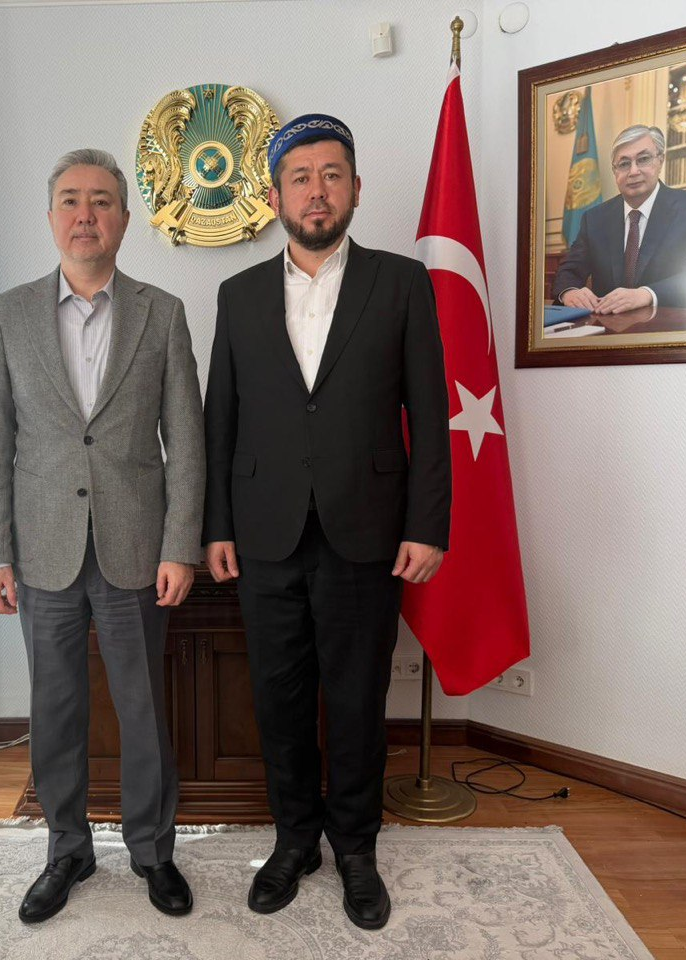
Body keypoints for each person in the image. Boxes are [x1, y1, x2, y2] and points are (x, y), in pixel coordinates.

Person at [202, 115, 452, 930]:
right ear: (276, 195)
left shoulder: (402, 283)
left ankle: (355, 848)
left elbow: (430, 414)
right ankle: (294, 841)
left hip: (368, 530)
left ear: (355, 188)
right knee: (278, 701)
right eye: (301, 177)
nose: (317, 191)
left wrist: (428, 525)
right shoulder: (237, 295)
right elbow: (220, 420)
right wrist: (216, 527)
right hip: (263, 532)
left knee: (355, 700)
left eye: (332, 175)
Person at [0, 148, 204, 923]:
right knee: (56, 710)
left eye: (101, 201)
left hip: (136, 549)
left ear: (124, 220)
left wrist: (180, 546)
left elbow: (187, 442)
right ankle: (66, 850)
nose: (85, 214)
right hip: (41, 552)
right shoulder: (8, 314)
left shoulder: (162, 313)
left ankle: (153, 852)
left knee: (143, 710)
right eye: (70, 200)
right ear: (50, 218)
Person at [552, 124, 686, 312]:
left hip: (667, 323)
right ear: (614, 171)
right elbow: (569, 270)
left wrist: (647, 294)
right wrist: (570, 292)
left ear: (660, 161)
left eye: (643, 159)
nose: (633, 171)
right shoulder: (595, 218)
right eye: (624, 164)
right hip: (607, 324)